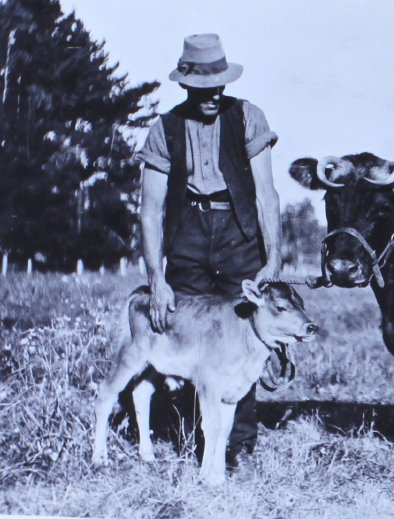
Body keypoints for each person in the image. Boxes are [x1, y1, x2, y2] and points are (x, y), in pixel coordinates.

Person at [137, 33, 282, 473]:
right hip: (188, 236)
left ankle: (238, 447)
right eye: (203, 88)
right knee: (189, 334)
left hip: (239, 233)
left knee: (244, 337)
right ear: (185, 85)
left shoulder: (248, 117)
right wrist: (157, 278)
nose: (214, 95)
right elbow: (150, 210)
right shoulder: (164, 130)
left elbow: (266, 195)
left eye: (219, 85)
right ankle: (194, 441)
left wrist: (273, 257)